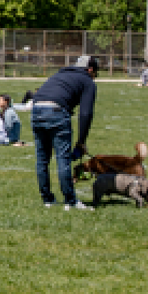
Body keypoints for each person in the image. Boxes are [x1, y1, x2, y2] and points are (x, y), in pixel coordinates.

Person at [31, 55, 98, 210]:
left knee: (42, 159)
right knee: (63, 159)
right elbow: (85, 114)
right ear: (90, 70)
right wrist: (81, 141)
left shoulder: (60, 74)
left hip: (36, 109)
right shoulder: (87, 81)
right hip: (56, 111)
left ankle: (47, 199)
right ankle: (70, 200)